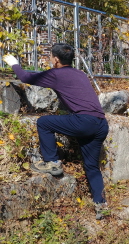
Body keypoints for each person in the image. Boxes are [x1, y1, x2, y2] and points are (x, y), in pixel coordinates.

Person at [3, 44, 109, 219]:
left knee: (44, 122)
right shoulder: (80, 74)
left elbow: (25, 77)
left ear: (56, 60)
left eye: (50, 57)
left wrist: (14, 63)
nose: (50, 59)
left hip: (83, 122)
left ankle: (52, 163)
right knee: (92, 167)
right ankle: (101, 205)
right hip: (100, 124)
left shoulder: (56, 74)